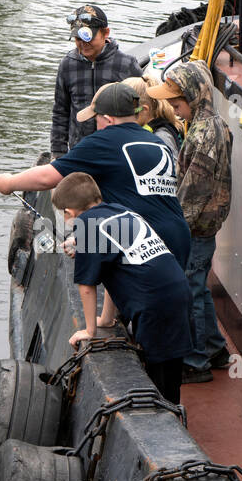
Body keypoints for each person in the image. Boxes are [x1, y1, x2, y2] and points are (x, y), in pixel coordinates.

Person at [0, 81, 191, 269]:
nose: (94, 124)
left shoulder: (104, 141)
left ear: (108, 118)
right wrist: (82, 239)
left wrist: (9, 182)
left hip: (142, 241)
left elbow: (48, 177)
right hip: (178, 237)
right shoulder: (155, 141)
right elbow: (129, 195)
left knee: (140, 298)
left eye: (95, 117)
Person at [54, 172, 192, 405]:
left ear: (69, 212)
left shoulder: (86, 224)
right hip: (178, 292)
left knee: (159, 379)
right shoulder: (121, 210)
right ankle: (172, 409)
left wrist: (90, 331)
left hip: (153, 305)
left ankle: (166, 416)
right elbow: (112, 268)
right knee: (171, 369)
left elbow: (86, 286)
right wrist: (106, 320)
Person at [147, 61, 232, 383]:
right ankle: (214, 348)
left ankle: (196, 362)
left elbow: (194, 193)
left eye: (177, 102)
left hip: (195, 230)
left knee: (190, 292)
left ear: (193, 96)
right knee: (199, 288)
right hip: (203, 228)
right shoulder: (208, 124)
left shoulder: (204, 133)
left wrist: (172, 230)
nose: (173, 108)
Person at [51, 5, 143, 156]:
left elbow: (142, 108)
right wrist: (58, 152)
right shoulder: (67, 65)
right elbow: (61, 111)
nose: (83, 43)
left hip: (118, 150)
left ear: (105, 33)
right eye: (78, 38)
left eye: (88, 38)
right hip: (80, 150)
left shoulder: (127, 64)